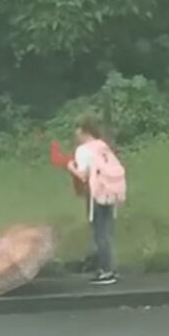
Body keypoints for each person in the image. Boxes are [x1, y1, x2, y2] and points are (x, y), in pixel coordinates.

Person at [67, 114, 125, 285]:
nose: (75, 134)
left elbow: (83, 176)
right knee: (107, 231)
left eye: (77, 130)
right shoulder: (103, 146)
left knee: (99, 232)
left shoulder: (84, 150)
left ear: (83, 131)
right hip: (112, 192)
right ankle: (109, 268)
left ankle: (106, 272)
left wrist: (70, 167)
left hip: (97, 193)